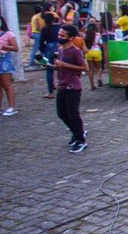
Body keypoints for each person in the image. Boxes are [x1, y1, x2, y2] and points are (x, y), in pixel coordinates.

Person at [54, 24, 89, 153]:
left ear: (71, 38)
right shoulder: (61, 49)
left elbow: (85, 68)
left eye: (62, 35)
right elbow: (61, 67)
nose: (59, 37)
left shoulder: (75, 51)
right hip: (62, 85)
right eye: (59, 34)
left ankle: (81, 140)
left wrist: (65, 65)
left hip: (73, 86)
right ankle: (77, 132)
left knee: (73, 114)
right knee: (61, 113)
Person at [37, 12, 61, 98]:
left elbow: (41, 42)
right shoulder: (59, 27)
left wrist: (43, 51)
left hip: (48, 48)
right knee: (60, 67)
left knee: (49, 69)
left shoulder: (45, 28)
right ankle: (61, 86)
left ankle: (50, 92)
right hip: (59, 47)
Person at [84, 21, 105, 90]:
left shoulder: (85, 35)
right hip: (97, 51)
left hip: (88, 52)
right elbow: (101, 43)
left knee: (90, 69)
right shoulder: (98, 35)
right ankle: (99, 78)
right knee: (99, 67)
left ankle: (92, 85)